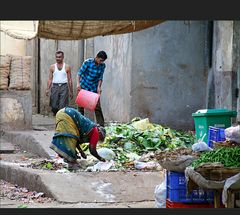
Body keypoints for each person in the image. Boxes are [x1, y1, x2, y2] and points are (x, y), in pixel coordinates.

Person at [77, 50, 107, 126]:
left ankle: (101, 125)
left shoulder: (102, 66)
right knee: (81, 106)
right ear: (96, 57)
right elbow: (80, 73)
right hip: (84, 86)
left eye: (102, 61)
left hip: (94, 87)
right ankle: (80, 124)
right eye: (100, 60)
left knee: (97, 107)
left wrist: (99, 87)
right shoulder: (87, 62)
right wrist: (78, 84)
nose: (101, 62)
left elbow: (100, 77)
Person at [46, 51, 73, 116]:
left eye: (60, 57)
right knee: (54, 105)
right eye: (57, 57)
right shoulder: (52, 67)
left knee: (62, 106)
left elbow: (69, 80)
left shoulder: (67, 67)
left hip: (64, 86)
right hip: (55, 86)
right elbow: (50, 79)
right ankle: (56, 114)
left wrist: (71, 91)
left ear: (63, 57)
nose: (58, 58)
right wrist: (47, 89)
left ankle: (60, 118)